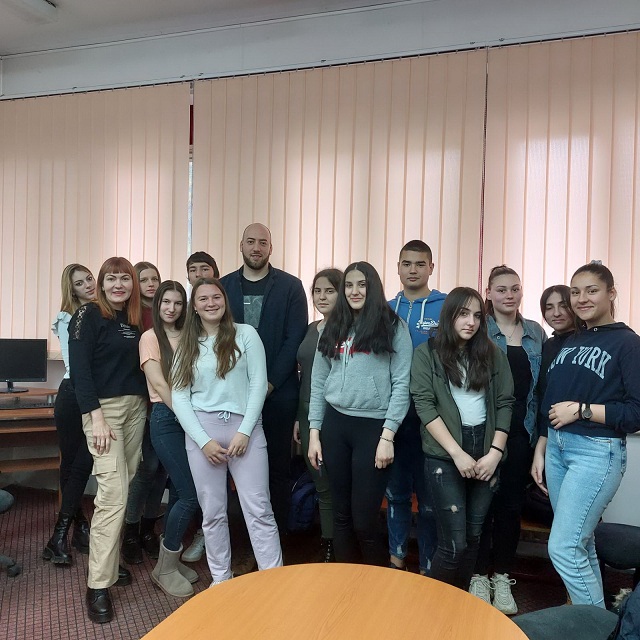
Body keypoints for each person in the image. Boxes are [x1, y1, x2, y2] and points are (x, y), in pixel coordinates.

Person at [532, 263, 640, 608]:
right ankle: (595, 619)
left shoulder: (628, 343)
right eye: (576, 292)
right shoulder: (573, 340)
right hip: (557, 448)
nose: (582, 299)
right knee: (581, 543)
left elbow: (636, 413)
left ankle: (595, 627)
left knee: (563, 547)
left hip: (595, 451)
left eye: (592, 290)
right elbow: (552, 400)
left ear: (611, 293)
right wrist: (542, 447)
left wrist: (582, 410)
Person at [171, 278, 283, 585]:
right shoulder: (187, 345)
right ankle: (220, 579)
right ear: (194, 307)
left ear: (225, 300)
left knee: (259, 510)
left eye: (216, 297)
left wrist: (245, 431)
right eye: (203, 299)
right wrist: (203, 441)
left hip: (245, 430)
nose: (211, 303)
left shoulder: (246, 334)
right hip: (203, 434)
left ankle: (274, 580)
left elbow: (258, 384)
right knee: (213, 513)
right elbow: (180, 397)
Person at [308, 262, 412, 566]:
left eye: (361, 285)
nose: (354, 291)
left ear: (373, 288)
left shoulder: (393, 326)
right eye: (349, 285)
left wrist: (387, 436)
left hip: (374, 429)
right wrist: (314, 433)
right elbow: (318, 381)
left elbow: (402, 384)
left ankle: (375, 586)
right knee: (340, 516)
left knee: (364, 520)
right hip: (335, 426)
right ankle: (345, 583)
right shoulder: (333, 326)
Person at [410, 287, 514, 590]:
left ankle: (459, 607)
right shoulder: (427, 354)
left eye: (477, 316)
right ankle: (432, 608)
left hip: (486, 450)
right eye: (463, 314)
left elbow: (505, 403)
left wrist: (495, 453)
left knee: (472, 539)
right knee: (453, 545)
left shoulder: (493, 354)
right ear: (449, 315)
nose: (471, 322)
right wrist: (457, 453)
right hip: (445, 454)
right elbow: (424, 406)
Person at [69, 257, 148, 624]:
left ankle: (110, 563)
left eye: (125, 278)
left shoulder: (132, 319)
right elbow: (80, 371)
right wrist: (96, 417)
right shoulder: (87, 315)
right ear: (101, 283)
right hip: (104, 413)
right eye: (111, 278)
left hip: (135, 409)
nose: (119, 284)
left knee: (124, 488)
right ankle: (97, 585)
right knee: (113, 495)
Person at [220, 223, 308, 536]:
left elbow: (294, 338)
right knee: (234, 469)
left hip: (279, 395)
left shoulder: (291, 287)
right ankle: (243, 540)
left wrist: (268, 384)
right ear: (241, 245)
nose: (256, 248)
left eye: (262, 242)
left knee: (276, 469)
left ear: (271, 248)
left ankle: (276, 540)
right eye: (250, 242)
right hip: (232, 396)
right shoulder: (223, 287)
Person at [471, 265, 545, 614]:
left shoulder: (535, 332)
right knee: (480, 506)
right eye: (501, 289)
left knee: (510, 508)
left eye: (515, 288)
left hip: (521, 435)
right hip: (482, 432)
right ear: (488, 293)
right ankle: (477, 576)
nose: (509, 295)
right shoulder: (478, 328)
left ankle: (501, 577)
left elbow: (541, 390)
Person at [387, 240, 446, 574]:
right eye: (406, 264)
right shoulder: (384, 308)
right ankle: (396, 561)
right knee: (396, 494)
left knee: (429, 501)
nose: (413, 270)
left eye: (420, 264)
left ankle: (427, 569)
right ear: (397, 267)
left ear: (431, 268)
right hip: (393, 416)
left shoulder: (446, 306)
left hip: (432, 418)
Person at [139, 280, 200, 597]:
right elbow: (160, 385)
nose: (171, 308)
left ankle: (170, 561)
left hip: (191, 416)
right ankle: (163, 568)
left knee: (179, 490)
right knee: (191, 494)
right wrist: (187, 417)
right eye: (166, 302)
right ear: (157, 304)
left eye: (178, 303)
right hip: (166, 417)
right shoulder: (150, 338)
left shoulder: (191, 334)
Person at [43, 264, 96, 566]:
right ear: (71, 290)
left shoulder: (99, 313)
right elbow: (76, 364)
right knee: (73, 464)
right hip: (72, 394)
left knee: (82, 463)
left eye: (89, 278)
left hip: (91, 394)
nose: (88, 285)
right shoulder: (68, 318)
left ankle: (65, 533)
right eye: (80, 283)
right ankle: (72, 529)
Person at [294, 267, 343, 562]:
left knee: (337, 484)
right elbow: (303, 374)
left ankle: (339, 545)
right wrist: (297, 419)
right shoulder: (311, 328)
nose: (322, 297)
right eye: (317, 291)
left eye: (329, 291)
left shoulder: (350, 330)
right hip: (305, 414)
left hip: (335, 416)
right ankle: (328, 542)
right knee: (320, 483)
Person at [121, 261, 166, 565]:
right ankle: (131, 531)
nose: (151, 284)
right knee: (146, 468)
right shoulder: (131, 316)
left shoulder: (168, 312)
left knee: (162, 470)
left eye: (155, 279)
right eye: (144, 279)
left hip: (167, 401)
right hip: (142, 400)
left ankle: (149, 528)